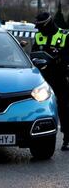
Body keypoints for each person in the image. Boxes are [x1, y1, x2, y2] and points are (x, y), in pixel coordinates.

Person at [32, 12, 69, 150]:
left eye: (40, 26)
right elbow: (34, 54)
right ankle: (40, 136)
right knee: (40, 106)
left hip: (59, 76)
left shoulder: (64, 35)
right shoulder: (38, 36)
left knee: (64, 107)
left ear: (47, 23)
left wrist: (58, 59)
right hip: (43, 78)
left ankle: (67, 138)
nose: (38, 29)